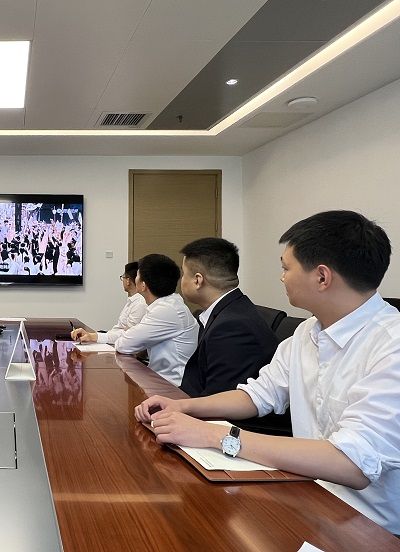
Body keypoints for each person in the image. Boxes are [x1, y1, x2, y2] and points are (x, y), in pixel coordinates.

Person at [135, 211, 400, 534]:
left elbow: (351, 463)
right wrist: (184, 406)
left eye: (286, 268)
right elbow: (257, 395)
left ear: (322, 277)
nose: (282, 277)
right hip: (306, 494)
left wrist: (215, 436)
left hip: (368, 526)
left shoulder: (391, 346)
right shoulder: (306, 333)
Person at [178, 238, 278, 397]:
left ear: (197, 280)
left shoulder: (231, 327)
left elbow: (217, 399)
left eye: (184, 274)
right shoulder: (230, 310)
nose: (181, 280)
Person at [110, 254, 199, 386]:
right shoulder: (167, 304)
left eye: (137, 275)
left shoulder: (165, 310)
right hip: (160, 379)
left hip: (172, 387)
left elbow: (124, 345)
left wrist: (128, 334)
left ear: (143, 285)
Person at [71, 261, 147, 345]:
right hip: (115, 342)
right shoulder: (132, 301)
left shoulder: (140, 303)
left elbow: (128, 335)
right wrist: (95, 336)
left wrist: (93, 336)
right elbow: (120, 329)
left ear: (128, 281)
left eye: (123, 278)